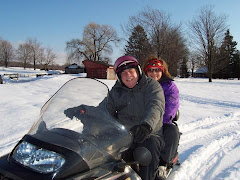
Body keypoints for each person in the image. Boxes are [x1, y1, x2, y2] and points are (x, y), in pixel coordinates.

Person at [105, 55, 166, 180]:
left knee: (148, 147)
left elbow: (156, 106)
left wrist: (146, 125)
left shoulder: (151, 86)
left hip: (149, 133)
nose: (128, 75)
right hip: (124, 134)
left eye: (131, 70)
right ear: (119, 77)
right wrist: (84, 111)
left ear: (138, 70)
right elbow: (105, 109)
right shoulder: (116, 91)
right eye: (123, 73)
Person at [142, 55, 180, 179]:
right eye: (151, 70)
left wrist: (151, 123)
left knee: (171, 130)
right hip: (142, 121)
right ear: (145, 71)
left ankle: (163, 164)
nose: (154, 73)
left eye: (157, 70)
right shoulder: (141, 85)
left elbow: (170, 108)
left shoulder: (169, 86)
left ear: (162, 71)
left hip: (162, 122)